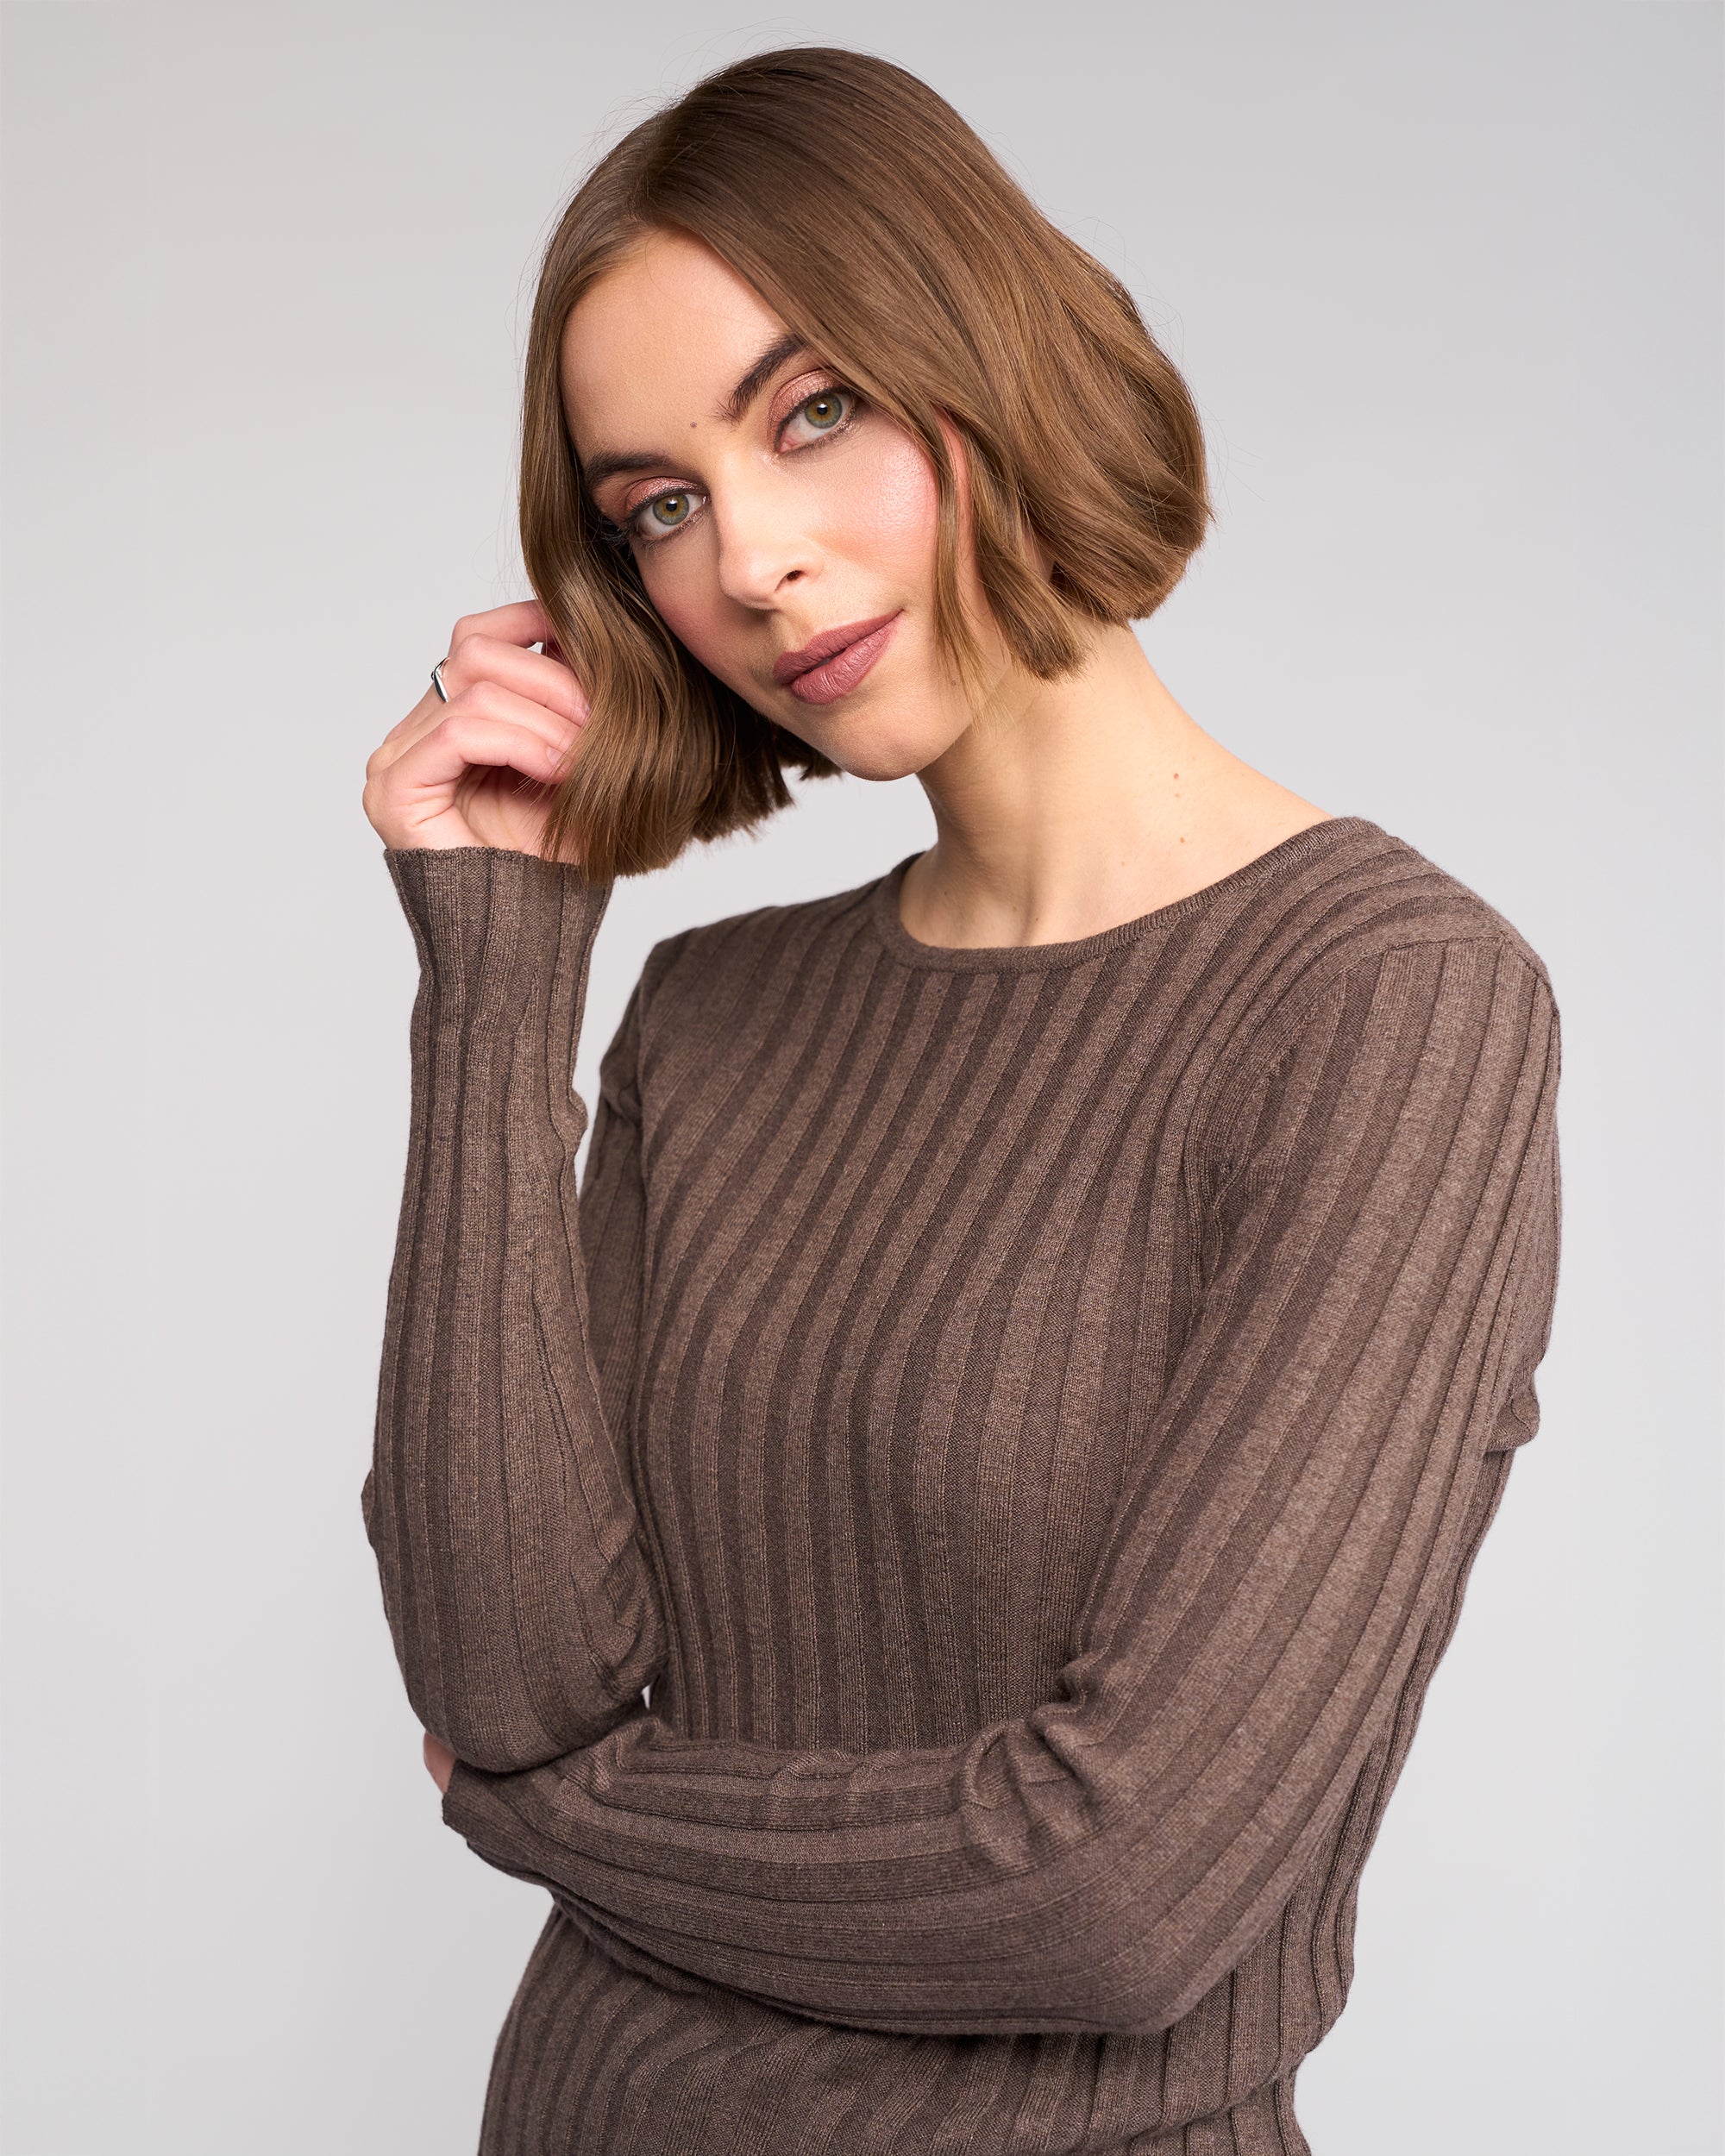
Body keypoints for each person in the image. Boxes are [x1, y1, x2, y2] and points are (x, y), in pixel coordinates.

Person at [360, 46, 1562, 2156]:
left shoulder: (1385, 1003)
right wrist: (493, 969)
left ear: (983, 349)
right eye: (657, 505)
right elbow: (500, 1663)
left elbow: (1120, 1889)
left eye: (812, 411)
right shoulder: (709, 1014)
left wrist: (565, 1819)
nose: (750, 560)